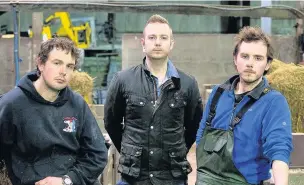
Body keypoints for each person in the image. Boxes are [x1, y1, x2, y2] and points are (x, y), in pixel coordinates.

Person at [104, 14, 203, 185]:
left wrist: (175, 152)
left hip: (172, 176)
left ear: (171, 44)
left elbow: (194, 125)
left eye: (163, 38)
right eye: (152, 37)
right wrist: (131, 151)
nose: (157, 42)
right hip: (133, 176)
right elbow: (111, 121)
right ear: (143, 43)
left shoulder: (188, 84)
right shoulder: (123, 80)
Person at [0, 37, 108, 185]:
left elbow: (97, 154)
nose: (63, 72)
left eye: (70, 66)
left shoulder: (77, 104)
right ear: (40, 64)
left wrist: (67, 180)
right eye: (57, 63)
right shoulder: (12, 105)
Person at [195, 26, 293, 185]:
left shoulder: (274, 102)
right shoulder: (217, 94)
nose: (250, 63)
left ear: (268, 64)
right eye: (245, 56)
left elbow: (279, 149)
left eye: (258, 58)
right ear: (235, 59)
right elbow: (201, 136)